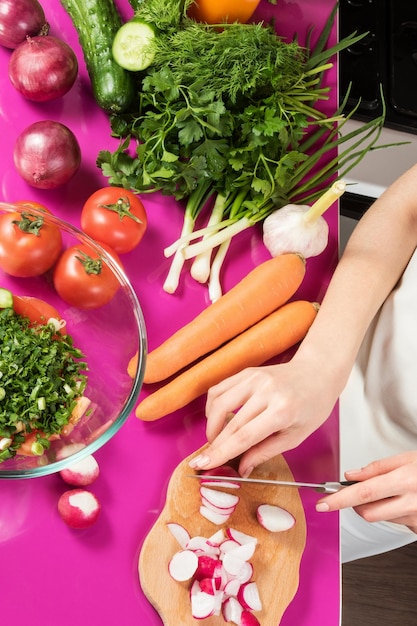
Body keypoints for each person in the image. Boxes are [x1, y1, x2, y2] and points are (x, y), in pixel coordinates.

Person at [189, 163, 417, 563]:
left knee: (258, 562)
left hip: (373, 492)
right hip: (331, 333)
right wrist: (319, 365)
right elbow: (408, 211)